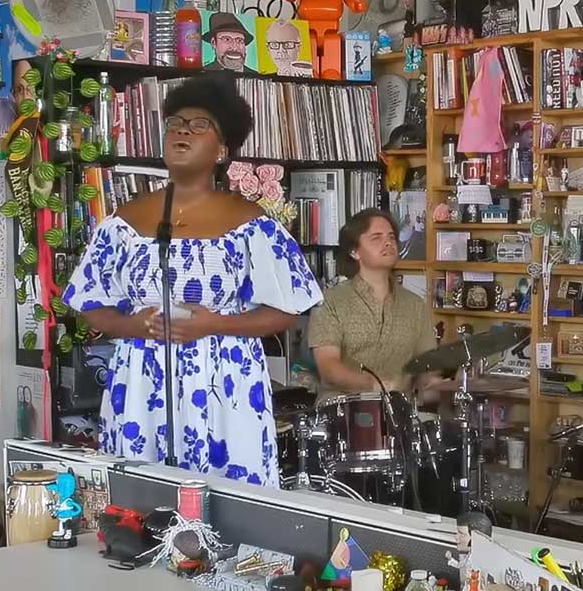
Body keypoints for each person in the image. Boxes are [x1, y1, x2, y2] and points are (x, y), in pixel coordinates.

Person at [64, 74, 320, 484]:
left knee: (230, 508)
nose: (183, 129)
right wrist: (133, 324)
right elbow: (91, 303)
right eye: (175, 122)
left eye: (200, 124)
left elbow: (287, 310)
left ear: (222, 149)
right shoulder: (124, 220)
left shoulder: (251, 222)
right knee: (142, 504)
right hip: (142, 381)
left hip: (225, 383)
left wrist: (214, 324)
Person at [308, 209, 438, 400]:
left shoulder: (415, 305)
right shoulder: (330, 301)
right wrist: (374, 385)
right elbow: (329, 370)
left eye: (392, 237)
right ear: (354, 252)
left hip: (399, 417)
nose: (388, 243)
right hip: (342, 414)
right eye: (376, 238)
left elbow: (428, 373)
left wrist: (457, 384)